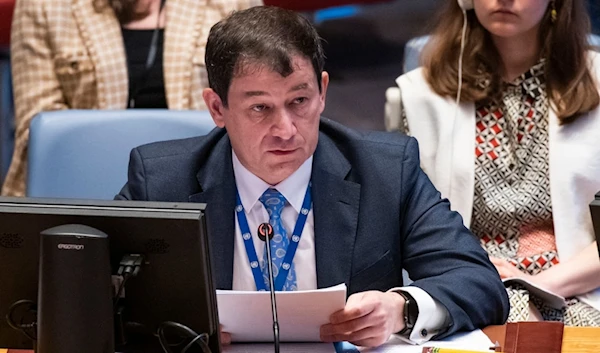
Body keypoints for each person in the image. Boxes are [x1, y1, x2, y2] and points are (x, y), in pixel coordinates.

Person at [116, 6, 508, 347]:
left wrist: (401, 308)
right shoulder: (162, 181)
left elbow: (477, 280)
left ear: (322, 91)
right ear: (217, 108)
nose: (286, 129)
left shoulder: (386, 171)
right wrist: (170, 329)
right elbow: (95, 291)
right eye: (260, 108)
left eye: (299, 101)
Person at [396, 0, 600, 325]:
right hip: (468, 289)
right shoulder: (419, 95)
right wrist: (491, 289)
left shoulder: (597, 81)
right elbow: (411, 229)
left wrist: (533, 286)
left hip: (576, 286)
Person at [2, 0, 262, 197]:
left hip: (201, 186)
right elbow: (38, 130)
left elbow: (254, 107)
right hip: (82, 186)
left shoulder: (231, 3)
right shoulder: (43, 5)